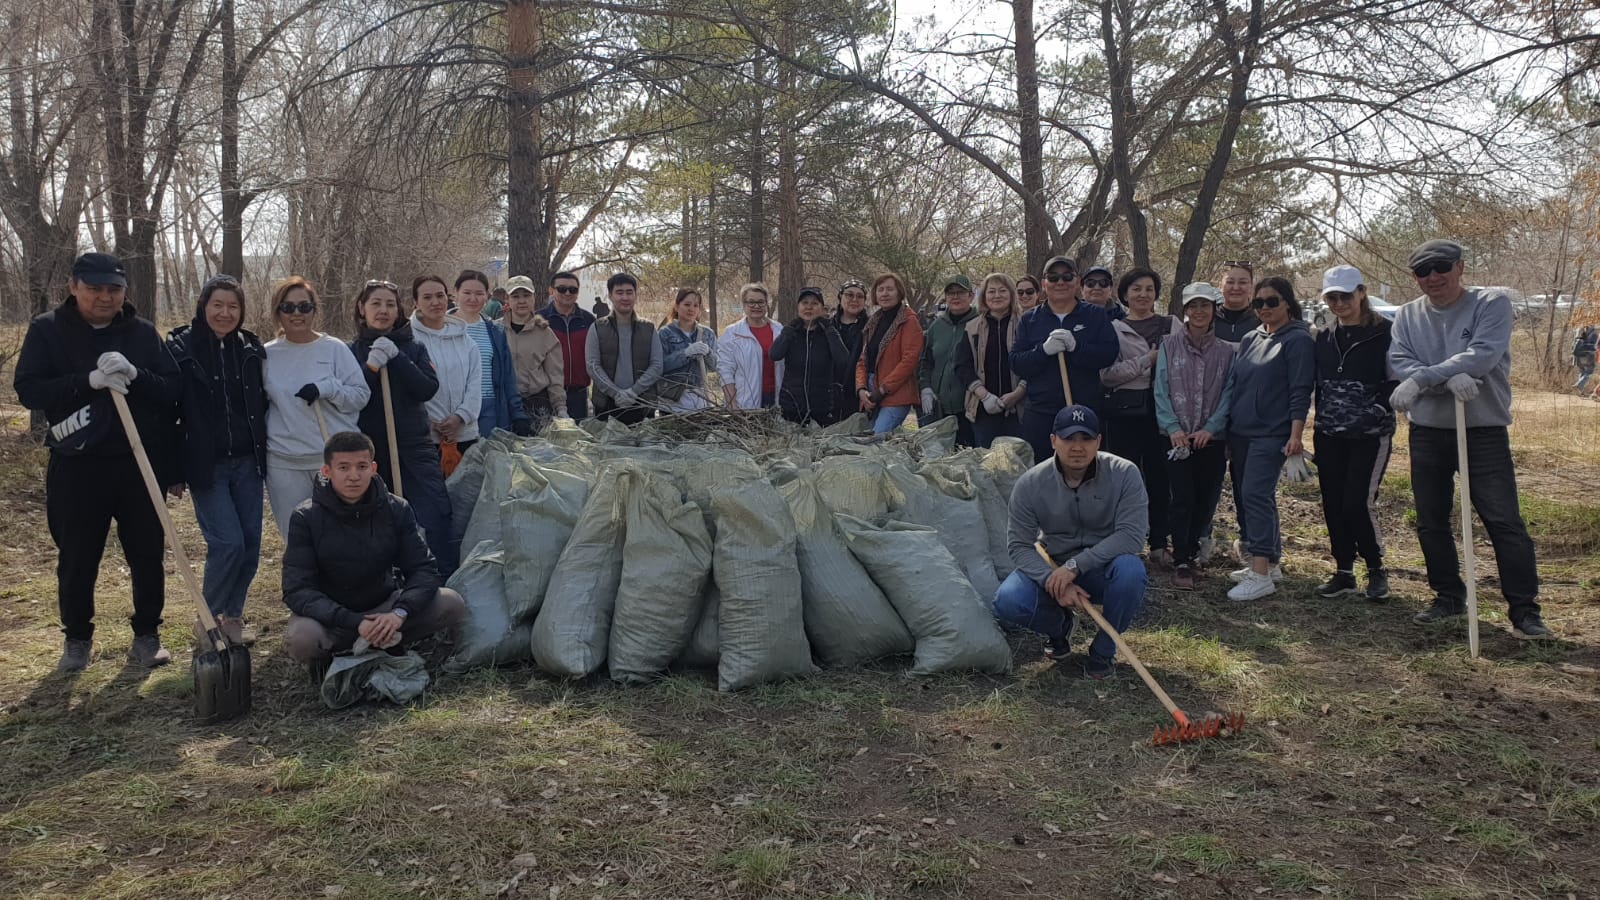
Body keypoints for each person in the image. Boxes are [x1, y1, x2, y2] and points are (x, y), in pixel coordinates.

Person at [14, 251, 181, 671]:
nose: (105, 297)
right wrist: (86, 381)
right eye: (94, 288)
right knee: (77, 555)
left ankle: (147, 634)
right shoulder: (48, 330)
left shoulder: (142, 333)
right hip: (77, 463)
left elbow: (172, 391)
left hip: (138, 462)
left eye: (114, 289)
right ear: (73, 287)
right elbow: (29, 390)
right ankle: (77, 638)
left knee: (146, 553)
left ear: (125, 291)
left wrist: (136, 375)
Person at [1389, 239, 1550, 638]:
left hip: (1482, 431)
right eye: (1423, 271)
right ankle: (1447, 597)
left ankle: (1525, 611)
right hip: (1427, 431)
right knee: (1431, 519)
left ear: (1460, 267)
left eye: (1441, 267)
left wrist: (1424, 379)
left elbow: (1483, 355)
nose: (1433, 277)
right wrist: (1447, 379)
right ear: (1414, 277)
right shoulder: (1407, 315)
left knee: (1504, 520)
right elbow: (1399, 362)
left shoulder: (1491, 304)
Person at [281, 431, 466, 678]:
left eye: (361, 466)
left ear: (374, 468)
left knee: (451, 602)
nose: (353, 476)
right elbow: (296, 589)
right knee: (301, 639)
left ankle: (385, 639)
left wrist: (399, 613)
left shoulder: (396, 508)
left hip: (384, 607)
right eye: (343, 468)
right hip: (333, 617)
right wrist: (354, 621)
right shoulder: (305, 517)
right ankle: (334, 655)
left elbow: (424, 569)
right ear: (327, 471)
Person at [992, 405, 1149, 679]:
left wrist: (1076, 566)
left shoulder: (1125, 473)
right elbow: (1019, 545)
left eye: (1086, 438)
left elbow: (1132, 535)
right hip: (1053, 565)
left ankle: (1103, 650)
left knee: (1131, 572)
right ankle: (1059, 628)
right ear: (1053, 440)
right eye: (1068, 438)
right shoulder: (1030, 484)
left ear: (1098, 441)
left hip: (1104, 567)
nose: (1077, 447)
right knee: (1008, 600)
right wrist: (1051, 580)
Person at [166, 275, 268, 646]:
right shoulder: (181, 348)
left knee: (250, 545)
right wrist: (173, 470)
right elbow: (168, 413)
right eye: (218, 305)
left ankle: (233, 617)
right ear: (203, 306)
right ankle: (208, 620)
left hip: (248, 462)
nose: (225, 313)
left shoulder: (250, 348)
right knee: (228, 543)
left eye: (233, 306)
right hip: (206, 465)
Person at [348, 279, 456, 574]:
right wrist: (372, 366)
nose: (383, 310)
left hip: (414, 446)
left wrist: (397, 358)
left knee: (435, 513)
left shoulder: (414, 347)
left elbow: (427, 389)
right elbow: (353, 399)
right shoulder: (350, 351)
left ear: (399, 311)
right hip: (371, 450)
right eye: (376, 304)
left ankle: (441, 581)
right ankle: (388, 582)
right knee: (377, 520)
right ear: (362, 308)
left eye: (390, 304)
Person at [1225, 276, 1315, 601]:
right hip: (1240, 432)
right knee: (1254, 496)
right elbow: (1236, 385)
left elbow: (1300, 391)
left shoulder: (1298, 340)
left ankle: (1260, 573)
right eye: (1259, 302)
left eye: (1272, 301)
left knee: (1255, 496)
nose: (1264, 307)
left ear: (1287, 303)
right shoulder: (1251, 338)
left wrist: (1296, 435)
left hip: (1272, 433)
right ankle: (1272, 562)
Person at [1312, 265, 1397, 602]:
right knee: (1333, 502)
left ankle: (1376, 569)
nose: (1339, 303)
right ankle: (1344, 571)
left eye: (1346, 296)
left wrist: (1376, 408)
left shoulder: (1386, 333)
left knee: (1357, 502)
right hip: (1329, 433)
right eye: (1332, 297)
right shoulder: (1323, 336)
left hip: (1369, 435)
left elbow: (1397, 379)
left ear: (1362, 292)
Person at [263, 277, 369, 536]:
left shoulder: (334, 349)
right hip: (284, 462)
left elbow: (360, 396)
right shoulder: (266, 355)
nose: (296, 313)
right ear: (277, 312)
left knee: (340, 535)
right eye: (288, 307)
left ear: (314, 310)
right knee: (296, 537)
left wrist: (328, 389)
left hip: (332, 460)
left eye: (304, 307)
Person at [1155, 283, 1236, 590]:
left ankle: (1194, 550)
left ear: (1214, 310)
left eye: (1205, 306)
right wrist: (1172, 427)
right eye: (1193, 306)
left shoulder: (1226, 352)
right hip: (1176, 438)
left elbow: (1228, 393)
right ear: (1185, 310)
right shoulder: (1168, 345)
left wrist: (1211, 428)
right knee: (1181, 498)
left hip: (1210, 439)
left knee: (1205, 498)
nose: (1199, 312)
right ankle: (1181, 559)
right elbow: (1160, 389)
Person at [1101, 267, 1179, 564]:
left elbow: (1183, 363)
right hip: (1125, 413)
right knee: (1125, 479)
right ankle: (1126, 541)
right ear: (1124, 294)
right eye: (1136, 289)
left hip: (1165, 412)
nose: (1143, 294)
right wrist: (1147, 360)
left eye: (1149, 289)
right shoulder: (1114, 328)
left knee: (1161, 478)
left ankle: (1159, 542)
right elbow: (1107, 375)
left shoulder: (1171, 324)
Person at [1010, 255, 1121, 462]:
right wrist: (1043, 351)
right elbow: (1017, 363)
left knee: (1084, 468)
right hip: (1042, 412)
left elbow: (1109, 354)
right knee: (1042, 469)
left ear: (1077, 282)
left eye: (1067, 277)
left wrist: (1076, 347)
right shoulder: (1029, 319)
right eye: (1053, 277)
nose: (1060, 282)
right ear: (1044, 284)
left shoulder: (1095, 315)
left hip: (1084, 411)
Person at [409, 275, 483, 465]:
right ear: (416, 302)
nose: (435, 302)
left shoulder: (466, 341)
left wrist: (460, 417)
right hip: (424, 437)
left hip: (465, 434)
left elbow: (475, 386)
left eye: (440, 295)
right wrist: (431, 421)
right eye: (427, 297)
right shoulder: (408, 341)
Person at [454, 270, 531, 438]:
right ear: (456, 293)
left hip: (489, 407)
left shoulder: (495, 331)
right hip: (453, 410)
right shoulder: (444, 328)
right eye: (467, 293)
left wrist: (518, 414)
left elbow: (508, 376)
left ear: (487, 296)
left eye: (479, 293)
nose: (473, 298)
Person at [954, 273, 1026, 448]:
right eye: (991, 291)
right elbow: (962, 366)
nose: (997, 295)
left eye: (1002, 291)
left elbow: (1035, 364)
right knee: (987, 460)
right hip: (983, 410)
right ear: (984, 296)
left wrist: (1018, 393)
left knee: (1017, 459)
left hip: (1019, 409)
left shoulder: (1026, 324)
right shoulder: (972, 328)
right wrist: (984, 396)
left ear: (1011, 294)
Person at [586, 272, 663, 424]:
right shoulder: (597, 327)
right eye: (619, 293)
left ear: (635, 295)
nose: (625, 297)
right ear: (610, 296)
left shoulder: (648, 328)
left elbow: (657, 365)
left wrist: (633, 392)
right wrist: (616, 393)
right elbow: (593, 365)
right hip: (606, 404)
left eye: (629, 292)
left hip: (642, 402)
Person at [855, 273, 926, 434]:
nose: (885, 294)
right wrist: (861, 388)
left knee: (877, 438)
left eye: (890, 289)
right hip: (870, 390)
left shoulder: (909, 321)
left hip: (896, 393)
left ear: (899, 292)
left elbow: (909, 361)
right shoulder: (872, 322)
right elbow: (862, 359)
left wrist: (883, 389)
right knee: (865, 441)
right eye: (880, 290)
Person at [771, 287, 852, 425]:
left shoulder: (829, 332)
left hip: (822, 408)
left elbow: (843, 361)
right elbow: (775, 354)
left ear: (822, 308)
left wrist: (829, 330)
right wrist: (788, 331)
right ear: (798, 307)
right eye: (804, 303)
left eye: (814, 303)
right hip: (791, 406)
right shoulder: (791, 332)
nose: (809, 307)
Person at [918, 274, 981, 445]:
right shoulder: (936, 327)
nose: (955, 297)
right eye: (951, 293)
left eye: (960, 292)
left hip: (970, 406)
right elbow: (925, 361)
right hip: (939, 407)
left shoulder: (980, 323)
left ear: (971, 296)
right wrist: (925, 387)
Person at [501, 275, 567, 429]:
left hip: (537, 402)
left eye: (526, 295)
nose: (521, 301)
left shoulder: (545, 333)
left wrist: (560, 407)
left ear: (533, 298)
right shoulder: (497, 330)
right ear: (507, 300)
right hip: (504, 403)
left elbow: (555, 374)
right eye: (515, 296)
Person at [536, 271, 596, 420]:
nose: (567, 293)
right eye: (562, 289)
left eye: (573, 289)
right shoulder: (539, 319)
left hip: (578, 393)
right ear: (551, 291)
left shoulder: (588, 320)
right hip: (546, 393)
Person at [718, 282, 784, 410]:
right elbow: (725, 371)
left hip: (776, 398)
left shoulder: (779, 329)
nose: (756, 306)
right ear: (743, 304)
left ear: (766, 304)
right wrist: (732, 404)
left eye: (760, 302)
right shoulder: (732, 333)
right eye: (751, 302)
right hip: (745, 402)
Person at [657, 288, 718, 412]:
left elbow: (716, 366)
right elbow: (660, 366)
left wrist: (708, 353)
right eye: (687, 304)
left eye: (696, 305)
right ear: (676, 306)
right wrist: (685, 354)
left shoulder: (708, 334)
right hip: (671, 402)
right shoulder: (665, 333)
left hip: (700, 401)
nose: (691, 309)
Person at [830, 280, 869, 415]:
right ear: (840, 297)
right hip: (829, 395)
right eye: (849, 295)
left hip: (859, 394)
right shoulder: (827, 327)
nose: (854, 300)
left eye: (859, 296)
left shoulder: (871, 327)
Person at [1212, 260, 1260, 343]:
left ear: (1251, 286)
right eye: (1230, 282)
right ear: (1220, 286)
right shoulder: (1209, 319)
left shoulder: (1261, 319)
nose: (1236, 287)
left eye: (1242, 282)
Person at [1573, 325, 1597, 393]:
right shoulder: (1594, 335)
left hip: (1579, 355)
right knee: (1589, 371)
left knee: (1582, 372)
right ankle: (1579, 385)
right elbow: (1594, 346)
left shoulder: (1580, 332)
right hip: (1588, 355)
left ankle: (1579, 390)